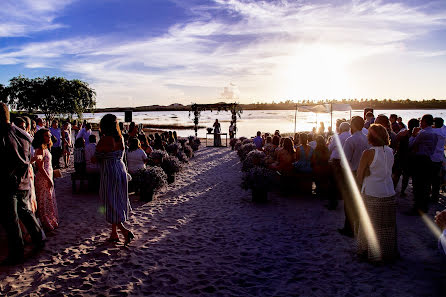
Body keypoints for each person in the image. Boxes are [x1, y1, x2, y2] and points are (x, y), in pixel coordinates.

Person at [0, 103, 44, 265]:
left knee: (11, 220)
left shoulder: (3, 135)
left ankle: (17, 252)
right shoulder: (23, 134)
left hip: (7, 183)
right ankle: (39, 240)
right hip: (24, 180)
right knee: (26, 212)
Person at [356, 124, 398, 263]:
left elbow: (359, 175)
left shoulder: (368, 153)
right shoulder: (390, 151)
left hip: (372, 192)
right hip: (388, 191)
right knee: (386, 226)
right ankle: (387, 251)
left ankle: (368, 251)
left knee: (370, 223)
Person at [95, 114, 134, 245]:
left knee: (109, 201)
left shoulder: (105, 140)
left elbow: (95, 158)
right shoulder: (121, 138)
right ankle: (114, 233)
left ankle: (124, 231)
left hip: (109, 172)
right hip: (120, 169)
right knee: (116, 200)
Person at [339, 116, 370, 237]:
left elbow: (345, 161)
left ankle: (349, 228)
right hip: (364, 173)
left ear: (353, 125)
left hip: (352, 173)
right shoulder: (367, 139)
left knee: (349, 202)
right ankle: (359, 226)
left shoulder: (351, 140)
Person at [408, 114, 437, 214]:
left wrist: (412, 135)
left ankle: (417, 208)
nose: (420, 122)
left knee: (417, 185)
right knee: (426, 185)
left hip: (420, 160)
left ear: (425, 121)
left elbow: (411, 144)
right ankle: (424, 207)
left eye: (421, 121)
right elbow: (433, 148)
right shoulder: (434, 132)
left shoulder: (423, 133)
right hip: (428, 159)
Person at [33, 128, 59, 232]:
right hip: (43, 178)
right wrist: (48, 179)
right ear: (41, 137)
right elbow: (40, 167)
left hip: (48, 176)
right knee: (44, 201)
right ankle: (46, 224)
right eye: (46, 136)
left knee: (49, 200)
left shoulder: (46, 148)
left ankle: (50, 222)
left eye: (49, 135)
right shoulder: (40, 149)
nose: (49, 137)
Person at [393, 118, 419, 194]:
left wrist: (397, 149)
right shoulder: (417, 135)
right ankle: (402, 191)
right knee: (405, 175)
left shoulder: (403, 133)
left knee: (397, 174)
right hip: (409, 157)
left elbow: (395, 141)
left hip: (400, 155)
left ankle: (394, 189)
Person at [311, 135, 331, 201]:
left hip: (318, 168)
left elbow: (313, 160)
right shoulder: (326, 149)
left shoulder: (316, 150)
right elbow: (328, 157)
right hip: (326, 167)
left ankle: (318, 189)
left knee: (315, 172)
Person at [431, 117, 446, 202]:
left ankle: (431, 195)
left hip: (432, 157)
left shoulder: (434, 132)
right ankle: (435, 196)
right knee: (436, 178)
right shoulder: (443, 131)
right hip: (440, 157)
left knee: (430, 178)